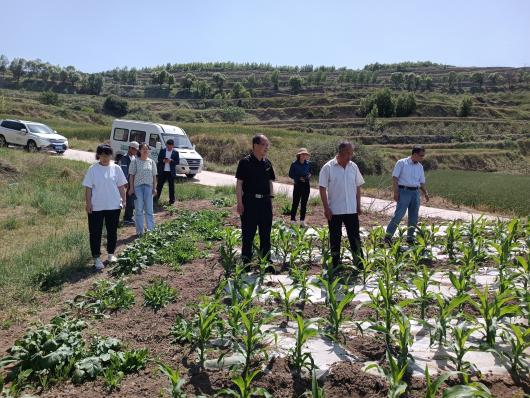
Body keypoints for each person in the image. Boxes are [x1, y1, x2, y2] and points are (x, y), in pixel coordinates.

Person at [318, 141, 365, 273]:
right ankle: (335, 264)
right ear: (341, 152)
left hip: (351, 209)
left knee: (355, 237)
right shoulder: (328, 167)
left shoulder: (353, 167)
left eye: (351, 152)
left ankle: (359, 263)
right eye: (348, 152)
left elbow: (358, 187)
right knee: (335, 237)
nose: (351, 155)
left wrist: (358, 205)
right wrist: (326, 208)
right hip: (335, 210)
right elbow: (322, 189)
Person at [82, 144, 127, 270]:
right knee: (95, 232)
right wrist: (88, 203)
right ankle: (96, 258)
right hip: (96, 207)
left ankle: (111, 254)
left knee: (112, 231)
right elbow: (88, 188)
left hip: (113, 205)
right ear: (98, 155)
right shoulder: (93, 169)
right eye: (102, 154)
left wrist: (124, 200)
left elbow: (121, 186)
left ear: (110, 155)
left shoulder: (116, 168)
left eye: (107, 154)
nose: (105, 157)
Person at [235, 134, 276, 269]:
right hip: (249, 202)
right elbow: (239, 184)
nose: (266, 147)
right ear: (255, 146)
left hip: (265, 203)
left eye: (267, 145)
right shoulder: (245, 162)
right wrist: (240, 203)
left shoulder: (267, 163)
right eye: (264, 144)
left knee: (266, 235)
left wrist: (271, 201)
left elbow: (270, 182)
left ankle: (266, 262)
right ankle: (246, 263)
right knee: (248, 234)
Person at [385, 145, 430, 245]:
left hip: (415, 193)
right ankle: (388, 236)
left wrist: (425, 193)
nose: (422, 158)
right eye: (421, 155)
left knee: (414, 216)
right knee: (399, 215)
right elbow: (395, 178)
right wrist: (395, 192)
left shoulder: (420, 167)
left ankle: (410, 238)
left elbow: (421, 182)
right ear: (414, 154)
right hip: (403, 191)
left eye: (423, 156)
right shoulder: (402, 163)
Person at [129, 143, 158, 236]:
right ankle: (139, 231)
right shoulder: (135, 161)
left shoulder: (151, 162)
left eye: (147, 149)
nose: (145, 151)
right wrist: (131, 188)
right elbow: (131, 176)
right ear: (139, 151)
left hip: (149, 187)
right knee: (139, 209)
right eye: (143, 149)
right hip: (138, 188)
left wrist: (154, 188)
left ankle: (150, 230)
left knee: (149, 209)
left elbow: (154, 176)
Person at [289, 148, 311, 227]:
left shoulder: (308, 163)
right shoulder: (294, 164)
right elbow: (290, 174)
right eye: (302, 154)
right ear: (299, 155)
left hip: (306, 184)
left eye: (305, 154)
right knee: (295, 202)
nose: (304, 155)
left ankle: (302, 221)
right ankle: (292, 220)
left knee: (304, 203)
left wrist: (308, 175)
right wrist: (299, 178)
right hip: (298, 184)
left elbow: (309, 172)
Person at [119, 141, 139, 225]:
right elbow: (124, 171)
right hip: (128, 183)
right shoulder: (124, 158)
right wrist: (126, 183)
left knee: (133, 201)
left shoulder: (134, 158)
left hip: (134, 182)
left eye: (136, 150)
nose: (135, 151)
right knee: (129, 201)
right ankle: (127, 218)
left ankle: (130, 216)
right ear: (130, 148)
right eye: (134, 149)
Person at [156, 139, 180, 205]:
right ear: (166, 145)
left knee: (171, 186)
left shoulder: (175, 152)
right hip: (163, 171)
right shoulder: (162, 151)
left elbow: (177, 162)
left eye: (171, 146)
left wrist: (171, 161)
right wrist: (163, 160)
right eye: (168, 146)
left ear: (173, 146)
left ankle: (171, 200)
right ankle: (156, 199)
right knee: (159, 185)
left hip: (171, 172)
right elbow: (159, 159)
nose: (169, 148)